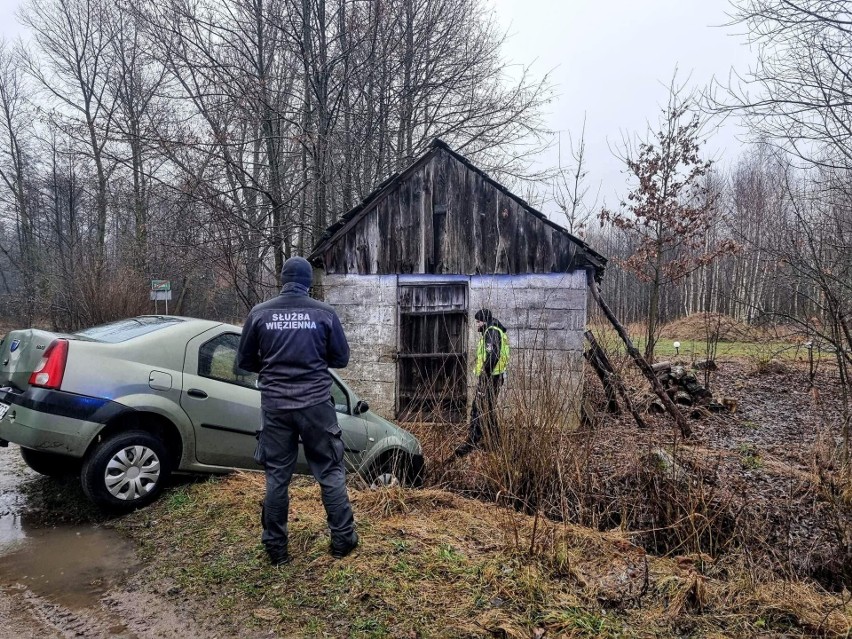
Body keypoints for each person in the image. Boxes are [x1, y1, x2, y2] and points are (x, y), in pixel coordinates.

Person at [237, 256, 358, 565]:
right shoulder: (324, 314)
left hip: (276, 405)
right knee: (330, 470)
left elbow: (245, 362)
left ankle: (276, 550)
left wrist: (273, 365)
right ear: (308, 282)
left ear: (282, 279)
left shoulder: (260, 314)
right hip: (317, 404)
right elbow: (341, 358)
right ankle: (343, 541)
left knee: (277, 475)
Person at [454, 308, 509, 458]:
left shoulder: (491, 332)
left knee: (478, 410)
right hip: (494, 377)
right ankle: (496, 443)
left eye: (478, 321)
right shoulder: (494, 330)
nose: (477, 324)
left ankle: (471, 443)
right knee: (487, 410)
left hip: (490, 378)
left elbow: (493, 355)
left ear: (483, 321)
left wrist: (485, 374)